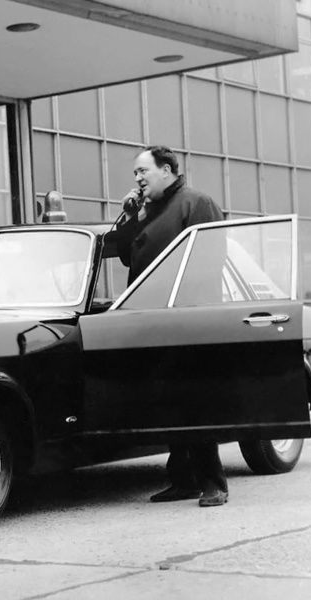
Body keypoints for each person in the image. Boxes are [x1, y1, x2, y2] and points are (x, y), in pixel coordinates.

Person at [114, 145, 228, 508]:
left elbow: (210, 257)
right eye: (135, 173)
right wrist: (130, 216)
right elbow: (124, 256)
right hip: (153, 318)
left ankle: (214, 482)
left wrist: (191, 309)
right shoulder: (147, 210)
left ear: (166, 169)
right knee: (169, 400)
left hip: (188, 316)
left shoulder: (197, 203)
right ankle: (182, 479)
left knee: (196, 400)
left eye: (143, 171)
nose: (137, 178)